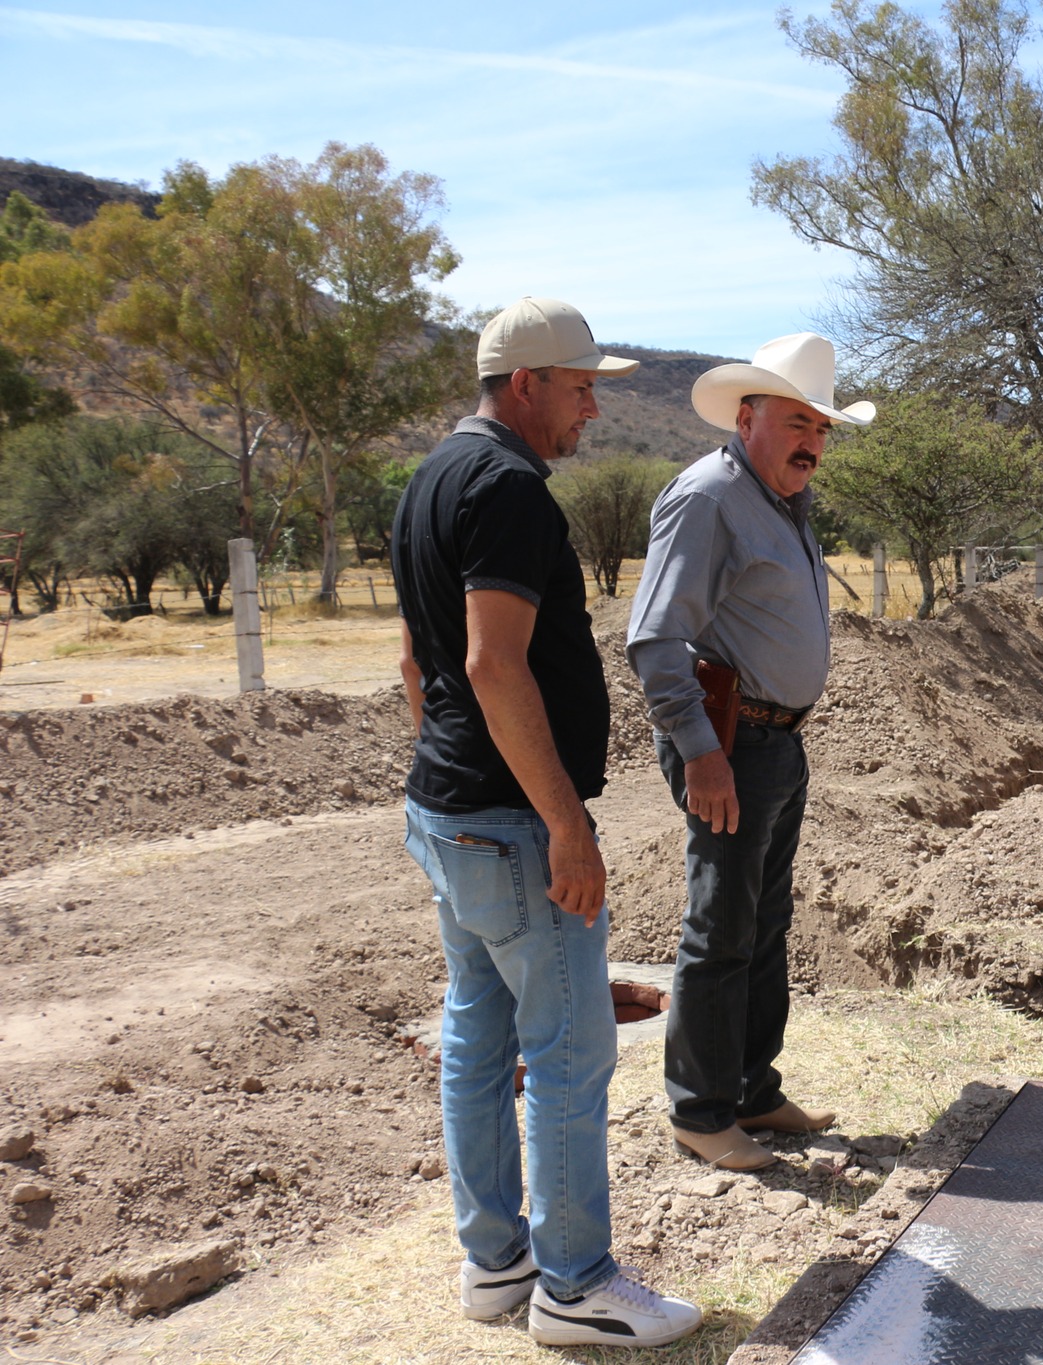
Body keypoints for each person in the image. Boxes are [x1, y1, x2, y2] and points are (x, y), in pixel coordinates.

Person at [392, 296, 702, 1348]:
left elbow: (417, 666)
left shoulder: (431, 479)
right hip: (513, 828)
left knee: (477, 1040)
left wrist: (457, 766)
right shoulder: (509, 489)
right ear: (525, 383)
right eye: (580, 390)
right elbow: (489, 662)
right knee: (569, 1058)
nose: (592, 413)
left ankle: (497, 1267)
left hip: (447, 812)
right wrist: (564, 824)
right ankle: (575, 1286)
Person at [627, 333, 874, 1171]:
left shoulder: (777, 501)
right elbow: (656, 640)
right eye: (797, 419)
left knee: (763, 925)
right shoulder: (708, 498)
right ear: (748, 416)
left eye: (822, 426)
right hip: (730, 746)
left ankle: (752, 1091)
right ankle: (700, 1111)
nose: (812, 440)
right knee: (721, 928)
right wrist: (701, 752)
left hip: (777, 742)